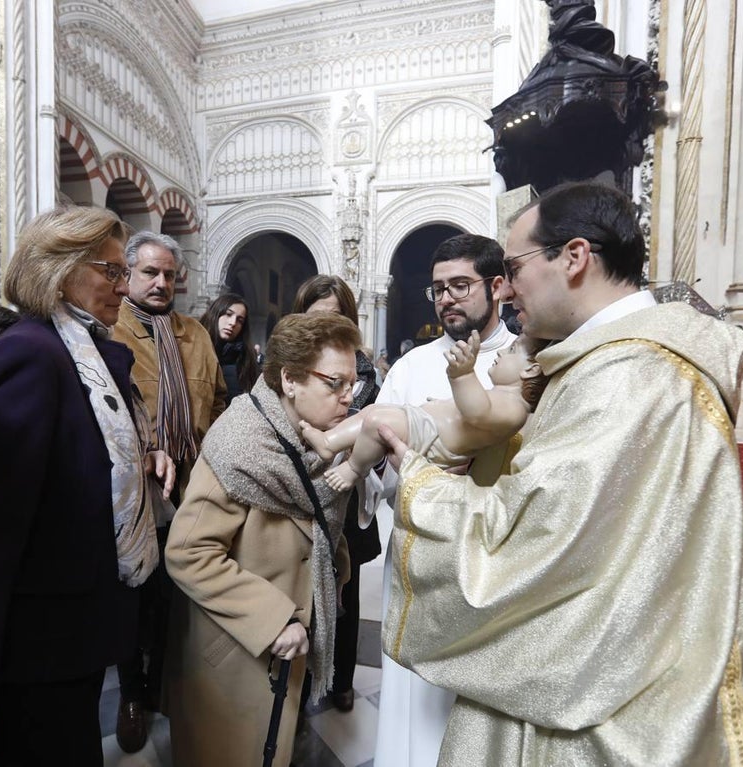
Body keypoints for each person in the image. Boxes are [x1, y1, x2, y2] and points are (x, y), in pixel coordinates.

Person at [379, 181, 743, 764]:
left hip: (604, 697)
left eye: (514, 266)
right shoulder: (609, 361)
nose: (507, 287)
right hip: (607, 657)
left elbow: (533, 541)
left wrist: (419, 481)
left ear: (575, 257)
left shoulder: (629, 376)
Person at [0, 206, 175, 765]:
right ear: (61, 270)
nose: (125, 287)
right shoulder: (31, 353)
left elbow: (77, 455)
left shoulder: (84, 349)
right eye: (112, 272)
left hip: (73, 629)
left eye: (125, 273)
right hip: (36, 641)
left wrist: (136, 460)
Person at [164, 313, 358, 767]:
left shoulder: (315, 441)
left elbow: (317, 520)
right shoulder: (240, 446)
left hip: (289, 646)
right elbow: (188, 552)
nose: (349, 397)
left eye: (353, 382)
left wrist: (333, 572)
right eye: (335, 383)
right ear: (289, 380)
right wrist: (273, 620)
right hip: (238, 649)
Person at [372, 233, 515, 766]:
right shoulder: (411, 367)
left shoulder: (524, 362)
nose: (447, 299)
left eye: (460, 285)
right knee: (416, 699)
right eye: (438, 290)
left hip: (491, 558)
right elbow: (382, 441)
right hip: (419, 556)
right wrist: (405, 464)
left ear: (497, 286)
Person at [112, 231, 227, 752]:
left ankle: (165, 681)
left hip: (193, 481)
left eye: (170, 275)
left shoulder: (195, 334)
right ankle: (132, 693)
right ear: (128, 275)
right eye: (150, 273)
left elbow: (219, 403)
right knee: (136, 592)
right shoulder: (110, 332)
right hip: (138, 486)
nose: (161, 283)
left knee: (182, 589)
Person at [290, 274, 381, 712]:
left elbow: (372, 431)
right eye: (315, 317)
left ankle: (342, 680)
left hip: (346, 495)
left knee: (345, 591)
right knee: (303, 591)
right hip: (302, 493)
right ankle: (301, 684)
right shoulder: (290, 368)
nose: (325, 326)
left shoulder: (364, 372)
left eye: (334, 316)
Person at [302, 332, 547, 492]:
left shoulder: (516, 408)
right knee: (374, 411)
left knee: (377, 421)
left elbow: (477, 412)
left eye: (512, 351)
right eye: (439, 289)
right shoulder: (502, 393)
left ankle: (355, 468)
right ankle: (328, 441)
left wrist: (462, 374)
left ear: (531, 370)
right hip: (425, 425)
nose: (502, 352)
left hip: (433, 440)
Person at [200, 292, 259, 400]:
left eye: (240, 320)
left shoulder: (246, 359)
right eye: (228, 314)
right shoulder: (195, 346)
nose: (233, 323)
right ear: (216, 313)